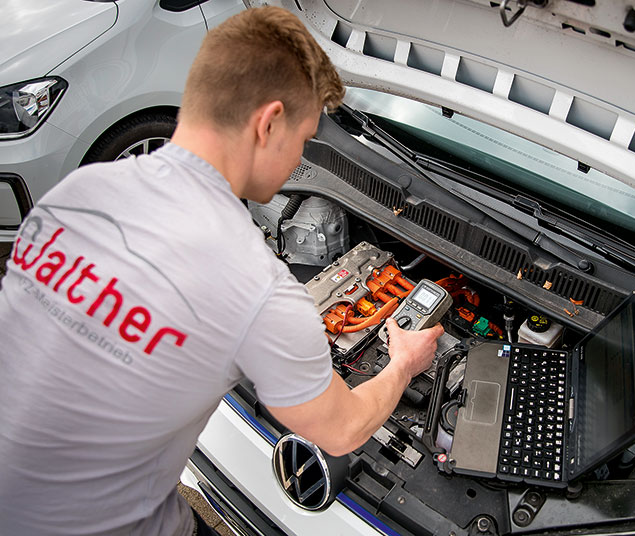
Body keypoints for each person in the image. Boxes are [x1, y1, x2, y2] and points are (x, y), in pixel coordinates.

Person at [0, 6, 443, 536]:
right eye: (303, 139)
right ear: (268, 122)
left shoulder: (73, 195)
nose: (300, 158)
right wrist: (401, 366)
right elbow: (344, 430)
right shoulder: (253, 286)